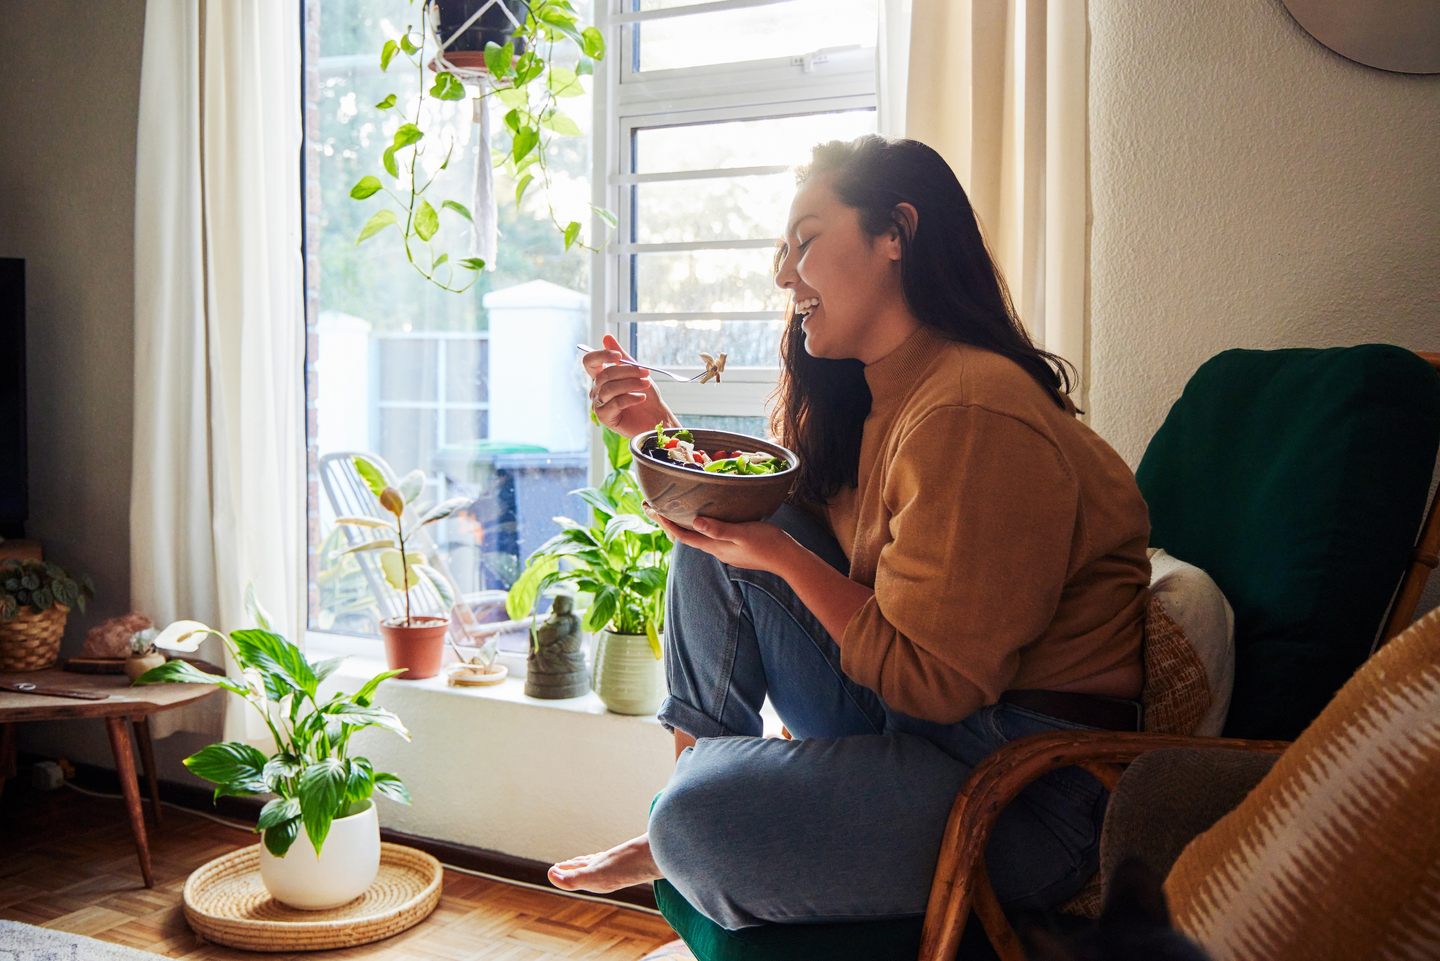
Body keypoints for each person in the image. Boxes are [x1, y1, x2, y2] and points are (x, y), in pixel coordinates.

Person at [549, 135, 1151, 930]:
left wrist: (778, 554)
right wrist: (664, 434)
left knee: (697, 816)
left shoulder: (971, 410)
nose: (782, 274)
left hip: (1021, 785)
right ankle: (685, 816)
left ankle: (686, 822)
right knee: (722, 534)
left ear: (895, 233)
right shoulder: (887, 395)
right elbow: (775, 538)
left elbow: (939, 682)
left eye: (804, 242)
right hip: (929, 730)